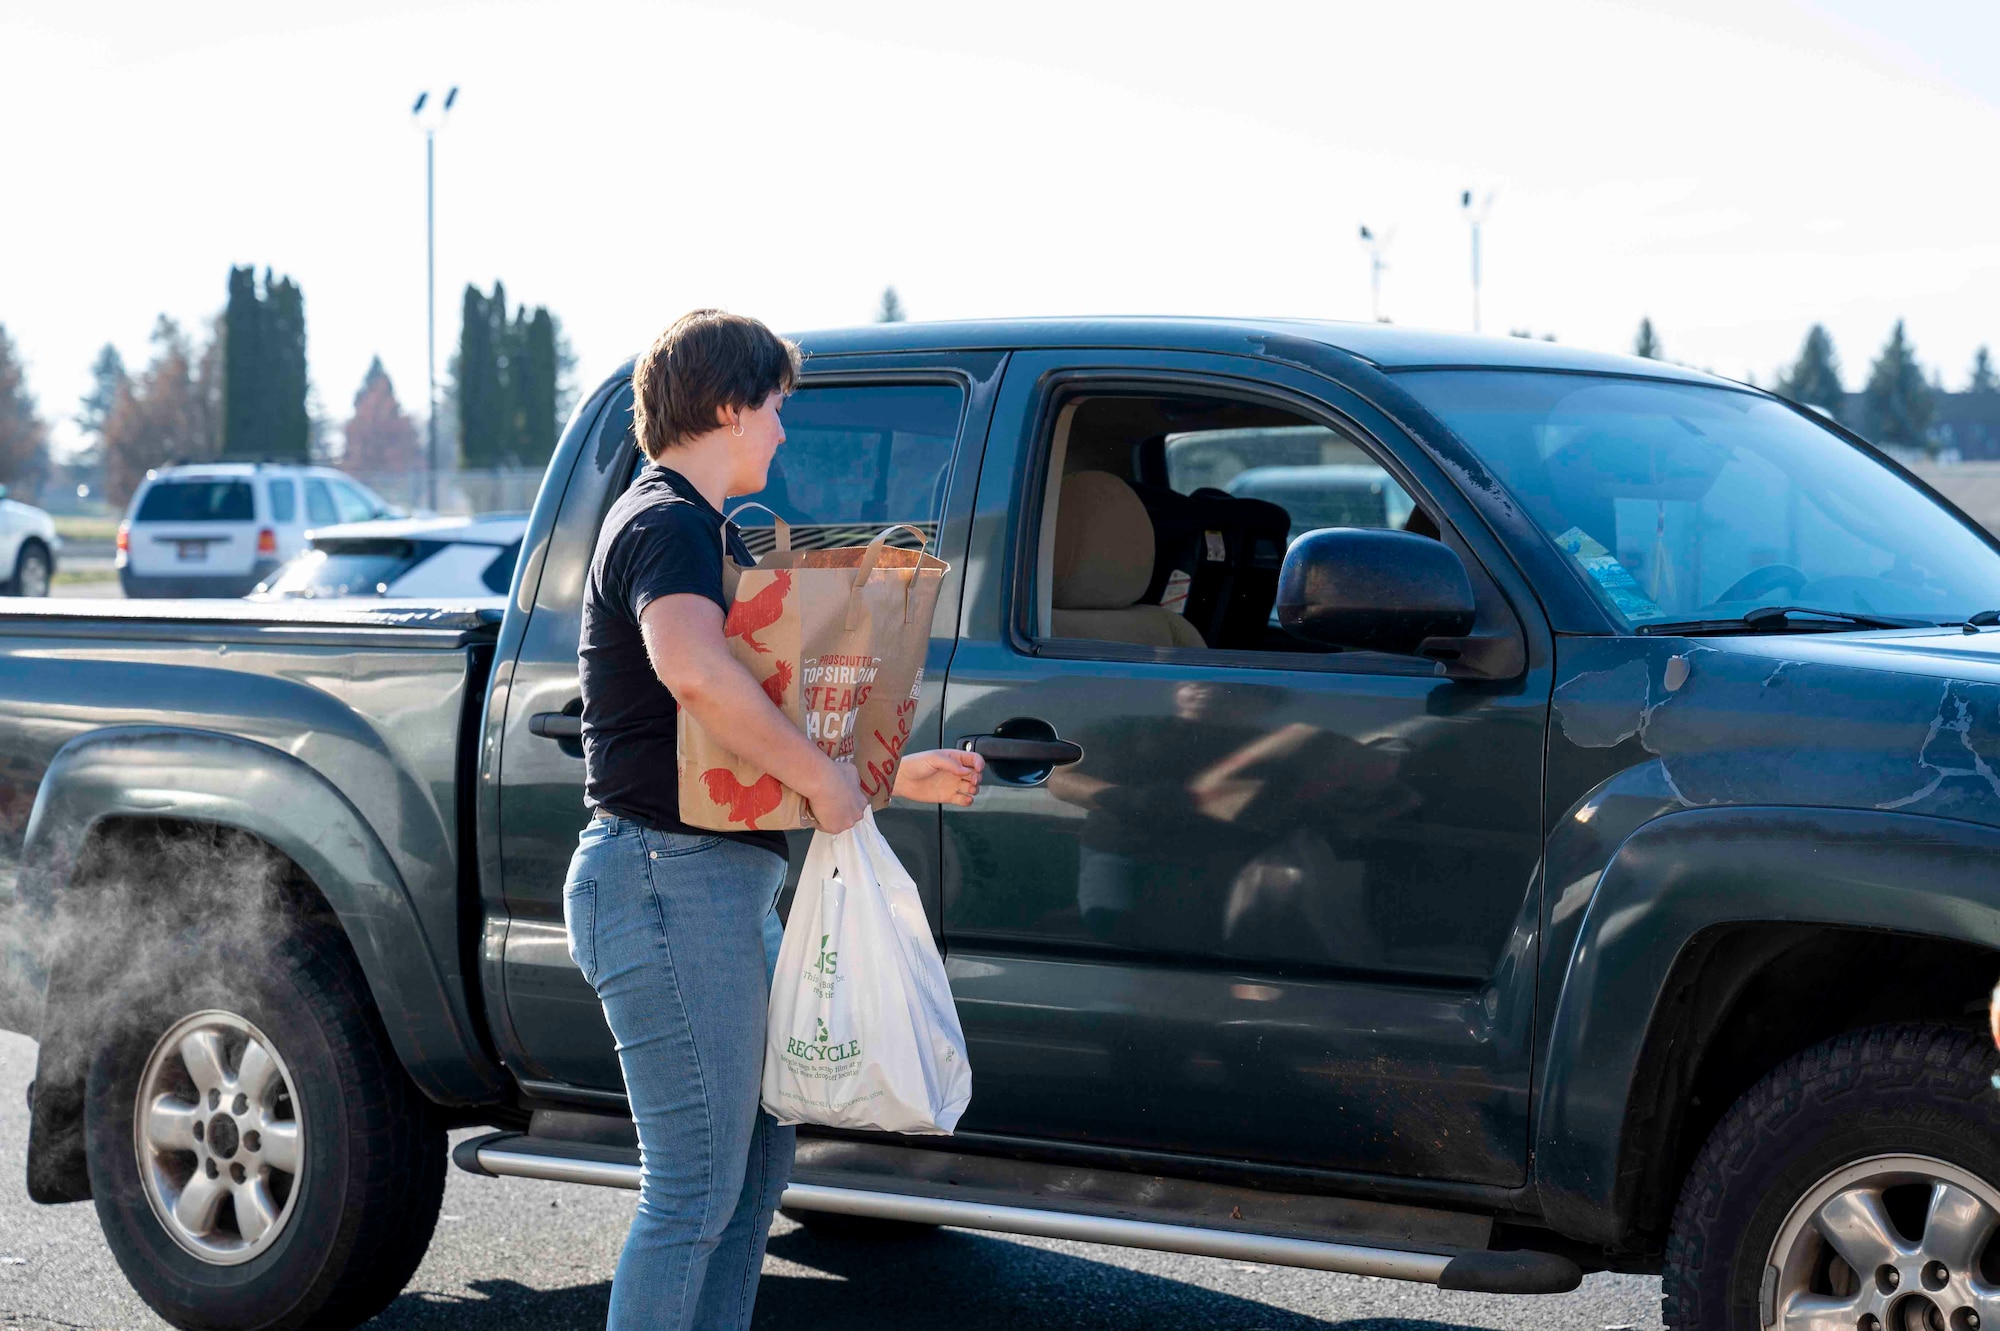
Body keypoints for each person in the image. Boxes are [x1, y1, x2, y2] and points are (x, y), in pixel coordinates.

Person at [565, 309, 984, 1330]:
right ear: (725, 404)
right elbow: (696, 671)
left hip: (707, 881)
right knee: (695, 1189)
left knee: (751, 1175)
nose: (783, 433)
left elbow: (729, 744)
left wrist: (889, 774)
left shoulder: (694, 526)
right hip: (664, 882)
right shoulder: (662, 521)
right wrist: (822, 775)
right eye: (775, 408)